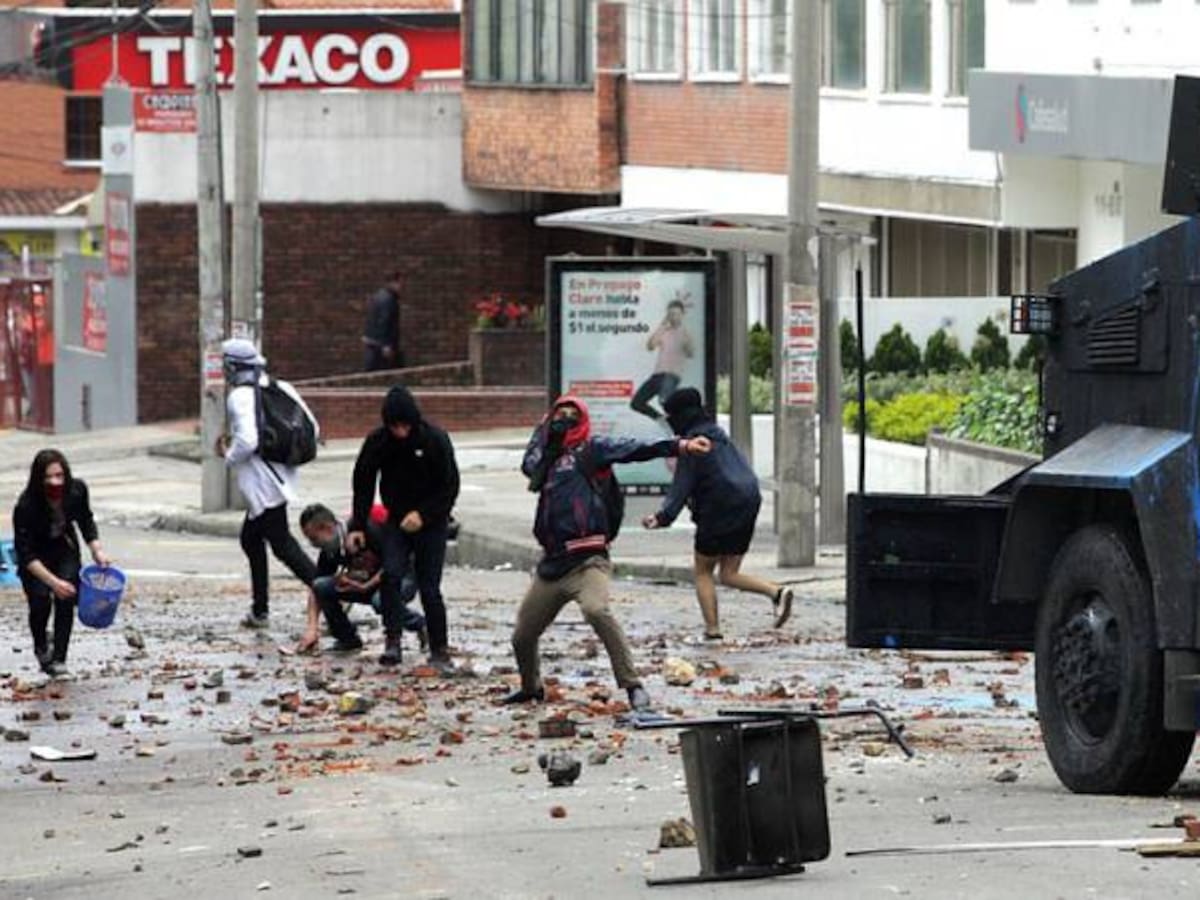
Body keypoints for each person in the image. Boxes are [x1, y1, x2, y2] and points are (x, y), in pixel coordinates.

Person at [503, 396, 712, 710]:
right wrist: (549, 436)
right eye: (562, 415)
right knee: (523, 635)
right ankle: (531, 687)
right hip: (553, 564)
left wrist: (680, 445)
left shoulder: (592, 450)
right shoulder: (545, 460)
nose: (568, 420)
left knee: (596, 610)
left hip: (589, 560)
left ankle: (633, 686)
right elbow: (529, 467)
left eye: (574, 416)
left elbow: (634, 447)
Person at [643, 387, 793, 640]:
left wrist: (661, 517)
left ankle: (713, 631)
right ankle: (777, 592)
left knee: (702, 572)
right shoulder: (720, 436)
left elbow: (682, 484)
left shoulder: (694, 444)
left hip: (718, 506)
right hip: (748, 500)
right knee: (729, 573)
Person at [350, 385, 459, 672]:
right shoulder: (378, 442)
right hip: (396, 520)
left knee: (429, 587)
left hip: (431, 522)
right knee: (392, 575)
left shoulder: (435, 439)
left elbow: (449, 487)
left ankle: (439, 647)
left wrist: (424, 514)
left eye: (404, 426)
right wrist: (358, 524)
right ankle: (393, 639)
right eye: (394, 426)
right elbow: (363, 483)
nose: (400, 432)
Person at [216, 338, 317, 629]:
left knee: (283, 545)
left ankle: (330, 592)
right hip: (281, 474)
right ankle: (260, 610)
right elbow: (313, 426)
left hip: (263, 482)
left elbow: (248, 440)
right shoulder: (282, 387)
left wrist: (229, 456)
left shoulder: (240, 396)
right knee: (251, 539)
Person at [12, 449, 112, 677]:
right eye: (48, 477)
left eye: (59, 476)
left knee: (66, 596)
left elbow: (86, 520)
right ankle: (41, 646)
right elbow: (25, 554)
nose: (54, 482)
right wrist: (52, 581)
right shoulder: (26, 506)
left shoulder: (76, 491)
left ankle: (59, 658)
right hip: (36, 557)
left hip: (64, 548)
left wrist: (97, 549)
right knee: (40, 601)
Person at [297, 503, 427, 663]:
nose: (314, 544)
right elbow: (315, 587)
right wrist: (312, 628)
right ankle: (347, 638)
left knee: (380, 600)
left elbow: (394, 562)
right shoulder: (331, 550)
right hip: (367, 583)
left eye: (314, 539)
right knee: (321, 586)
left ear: (328, 528)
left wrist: (367, 585)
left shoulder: (367, 530)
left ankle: (420, 624)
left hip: (401, 576)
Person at [630, 297, 695, 424]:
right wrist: (662, 326)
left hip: (671, 375)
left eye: (676, 314)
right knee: (636, 403)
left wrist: (686, 340)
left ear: (682, 315)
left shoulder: (685, 333)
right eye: (671, 314)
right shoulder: (665, 331)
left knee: (664, 400)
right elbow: (650, 346)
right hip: (657, 375)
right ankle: (661, 420)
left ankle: (681, 423)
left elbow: (690, 353)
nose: (673, 317)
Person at [362, 271, 404, 372]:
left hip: (373, 342)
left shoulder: (378, 296)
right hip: (381, 345)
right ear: (393, 282)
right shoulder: (389, 300)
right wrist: (386, 345)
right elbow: (384, 322)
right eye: (400, 283)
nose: (402, 286)